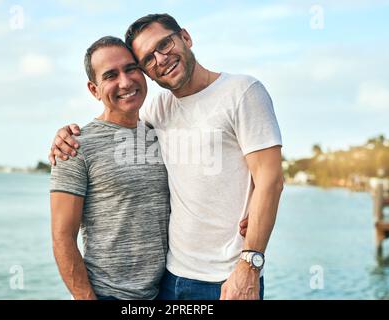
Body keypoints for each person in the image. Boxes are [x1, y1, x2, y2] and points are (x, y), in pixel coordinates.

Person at [49, 14, 283, 300]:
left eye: (165, 44)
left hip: (228, 279)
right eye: (148, 58)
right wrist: (66, 137)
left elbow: (270, 179)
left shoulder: (242, 92)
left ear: (185, 37)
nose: (161, 59)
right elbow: (114, 122)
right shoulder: (155, 111)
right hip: (169, 280)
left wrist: (249, 265)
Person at [50, 36, 170, 300]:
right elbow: (62, 238)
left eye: (130, 68)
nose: (125, 82)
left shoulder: (161, 133)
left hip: (167, 292)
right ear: (94, 90)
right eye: (110, 75)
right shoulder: (75, 147)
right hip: (108, 295)